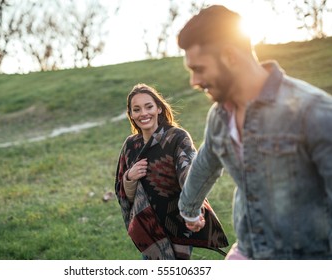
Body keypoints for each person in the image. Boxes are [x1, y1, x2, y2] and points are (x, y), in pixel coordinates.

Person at [177, 5, 332, 260]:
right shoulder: (220, 116)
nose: (194, 81)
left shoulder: (313, 112)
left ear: (230, 57)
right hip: (248, 250)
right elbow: (205, 163)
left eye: (199, 69)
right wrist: (189, 210)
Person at [114, 83, 228, 260]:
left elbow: (189, 174)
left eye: (149, 106)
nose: (143, 113)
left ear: (159, 108)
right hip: (148, 228)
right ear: (131, 114)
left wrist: (193, 210)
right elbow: (122, 193)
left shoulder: (176, 137)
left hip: (177, 223)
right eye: (136, 109)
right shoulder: (130, 145)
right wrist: (130, 177)